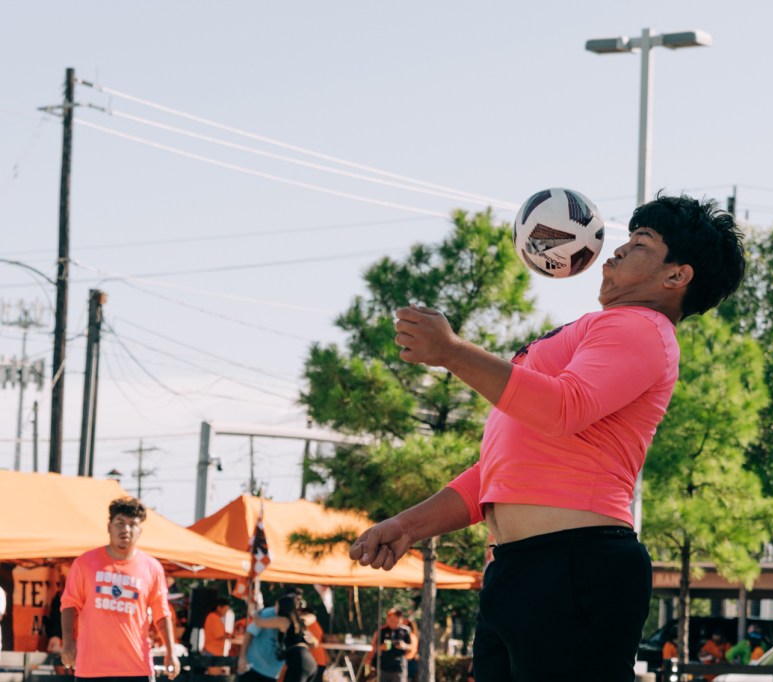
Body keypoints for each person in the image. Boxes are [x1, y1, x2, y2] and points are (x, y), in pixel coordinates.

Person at [348, 193, 747, 681]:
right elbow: (497, 474)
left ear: (676, 276)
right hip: (522, 570)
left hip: (576, 567)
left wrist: (452, 352)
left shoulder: (642, 327)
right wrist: (408, 526)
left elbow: (563, 407)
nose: (616, 251)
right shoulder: (598, 329)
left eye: (640, 243)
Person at [59, 496, 181, 681]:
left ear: (140, 531)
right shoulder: (84, 563)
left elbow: (162, 614)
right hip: (91, 668)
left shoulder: (152, 567)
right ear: (109, 526)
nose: (126, 529)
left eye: (132, 524)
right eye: (120, 523)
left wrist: (171, 651)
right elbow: (69, 604)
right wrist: (68, 642)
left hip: (136, 668)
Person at [252, 594, 318, 682]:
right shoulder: (299, 621)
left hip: (298, 661)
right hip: (309, 661)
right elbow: (314, 644)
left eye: (276, 605)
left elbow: (259, 623)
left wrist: (255, 612)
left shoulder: (284, 621)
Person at [238, 593, 286, 682]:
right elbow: (251, 630)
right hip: (254, 666)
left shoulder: (291, 620)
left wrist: (254, 614)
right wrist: (242, 657)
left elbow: (258, 622)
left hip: (273, 672)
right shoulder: (269, 613)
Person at [367, 608, 412, 682]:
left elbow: (412, 647)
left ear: (400, 620)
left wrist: (404, 646)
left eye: (395, 620)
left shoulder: (405, 631)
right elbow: (373, 647)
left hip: (399, 667)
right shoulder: (381, 631)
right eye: (391, 619)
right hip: (384, 667)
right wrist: (381, 647)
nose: (393, 622)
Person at [203, 597, 232, 674]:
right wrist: (231, 636)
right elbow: (219, 635)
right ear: (219, 608)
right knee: (214, 677)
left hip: (215, 652)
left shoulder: (215, 617)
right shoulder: (213, 617)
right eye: (225, 610)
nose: (225, 612)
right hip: (212, 651)